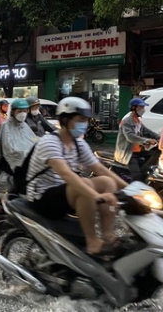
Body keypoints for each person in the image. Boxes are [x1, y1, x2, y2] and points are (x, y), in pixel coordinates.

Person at [27, 97, 128, 256]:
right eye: (81, 119)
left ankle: (107, 235)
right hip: (42, 197)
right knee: (84, 184)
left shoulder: (78, 144)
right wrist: (96, 196)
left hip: (65, 193)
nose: (85, 124)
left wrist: (131, 190)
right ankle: (92, 242)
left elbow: (99, 168)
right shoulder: (49, 142)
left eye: (86, 120)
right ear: (66, 120)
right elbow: (66, 174)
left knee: (107, 182)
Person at [0, 98, 37, 197]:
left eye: (25, 111)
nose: (23, 114)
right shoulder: (6, 126)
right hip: (7, 160)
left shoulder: (25, 126)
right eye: (20, 111)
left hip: (23, 159)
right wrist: (24, 153)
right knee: (22, 180)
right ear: (13, 111)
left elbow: (33, 140)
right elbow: (9, 149)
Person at [114, 98, 160, 181]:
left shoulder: (138, 121)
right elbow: (130, 137)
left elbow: (148, 132)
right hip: (128, 152)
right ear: (133, 108)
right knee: (137, 176)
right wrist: (147, 140)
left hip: (138, 151)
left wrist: (161, 138)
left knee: (155, 154)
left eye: (143, 107)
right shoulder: (126, 121)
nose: (143, 109)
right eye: (140, 107)